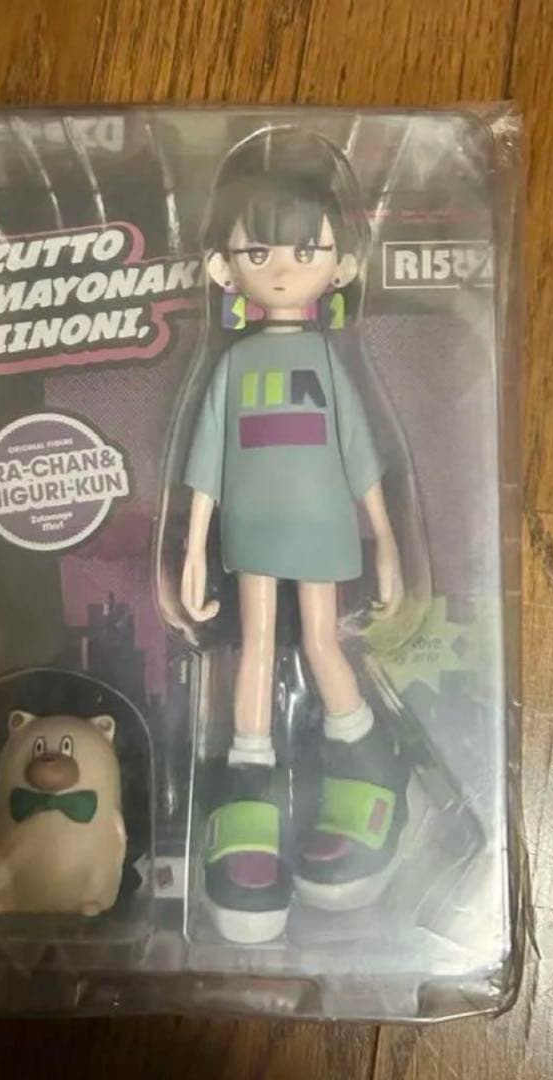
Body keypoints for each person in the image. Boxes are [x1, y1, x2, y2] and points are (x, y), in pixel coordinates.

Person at [180, 128, 411, 943]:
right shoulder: (234, 366)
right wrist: (191, 550)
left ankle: (363, 753)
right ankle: (248, 768)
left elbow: (358, 454)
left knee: (319, 640)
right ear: (223, 269)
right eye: (259, 251)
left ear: (339, 265)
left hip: (319, 527)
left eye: (305, 250)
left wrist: (385, 542)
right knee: (253, 644)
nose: (281, 267)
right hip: (250, 530)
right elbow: (206, 464)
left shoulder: (325, 361)